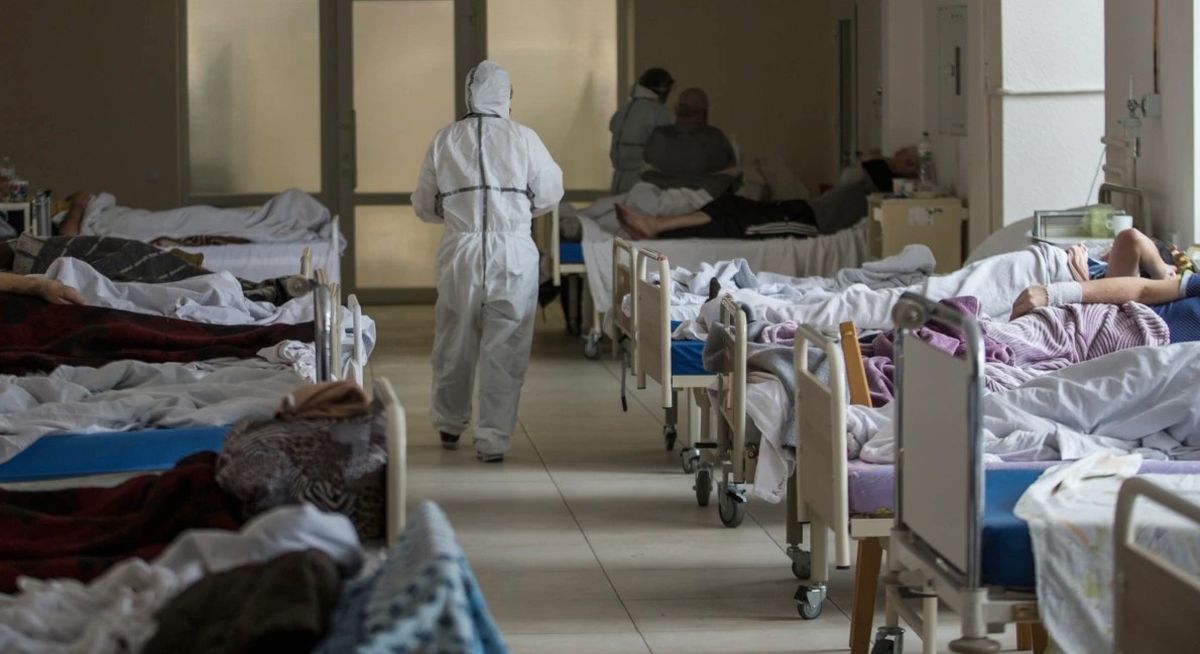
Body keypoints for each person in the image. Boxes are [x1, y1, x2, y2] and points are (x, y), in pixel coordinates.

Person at [413, 60, 564, 463]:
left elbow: (424, 204)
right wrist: (515, 212)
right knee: (506, 344)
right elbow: (550, 193)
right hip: (512, 250)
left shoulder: (445, 138)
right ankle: (493, 440)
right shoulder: (525, 138)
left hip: (460, 251)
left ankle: (449, 425)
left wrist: (459, 213)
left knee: (454, 338)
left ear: (469, 96)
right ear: (506, 99)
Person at [616, 148, 919, 240]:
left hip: (809, 225)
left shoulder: (884, 186)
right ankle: (656, 225)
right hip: (802, 208)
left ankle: (656, 229)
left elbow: (874, 164)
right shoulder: (871, 180)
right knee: (730, 202)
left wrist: (898, 164)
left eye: (907, 159)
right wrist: (893, 161)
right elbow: (869, 159)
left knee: (736, 224)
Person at [640, 88, 739, 197]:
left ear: (677, 110)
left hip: (663, 197)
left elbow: (647, 172)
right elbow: (730, 174)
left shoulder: (659, 135)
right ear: (702, 114)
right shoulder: (714, 137)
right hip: (705, 199)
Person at [609, 68, 674, 194]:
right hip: (643, 182)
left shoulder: (622, 111)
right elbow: (666, 151)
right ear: (663, 89)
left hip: (618, 182)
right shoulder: (658, 112)